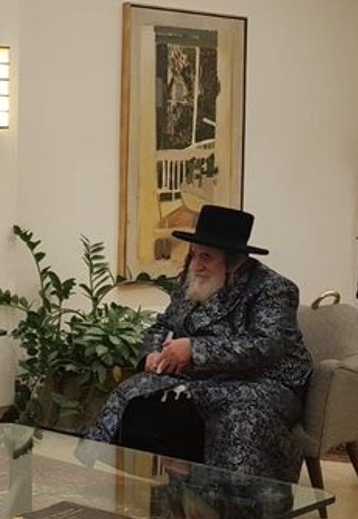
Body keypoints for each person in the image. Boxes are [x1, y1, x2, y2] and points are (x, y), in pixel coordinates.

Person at [86, 205, 312, 482]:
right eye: (194, 254)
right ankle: (136, 486)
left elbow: (267, 346)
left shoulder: (273, 288)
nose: (197, 264)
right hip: (203, 377)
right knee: (136, 396)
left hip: (265, 382)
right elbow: (163, 325)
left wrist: (195, 350)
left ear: (234, 260)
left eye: (207, 257)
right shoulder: (191, 279)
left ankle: (232, 500)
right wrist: (151, 354)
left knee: (235, 416)